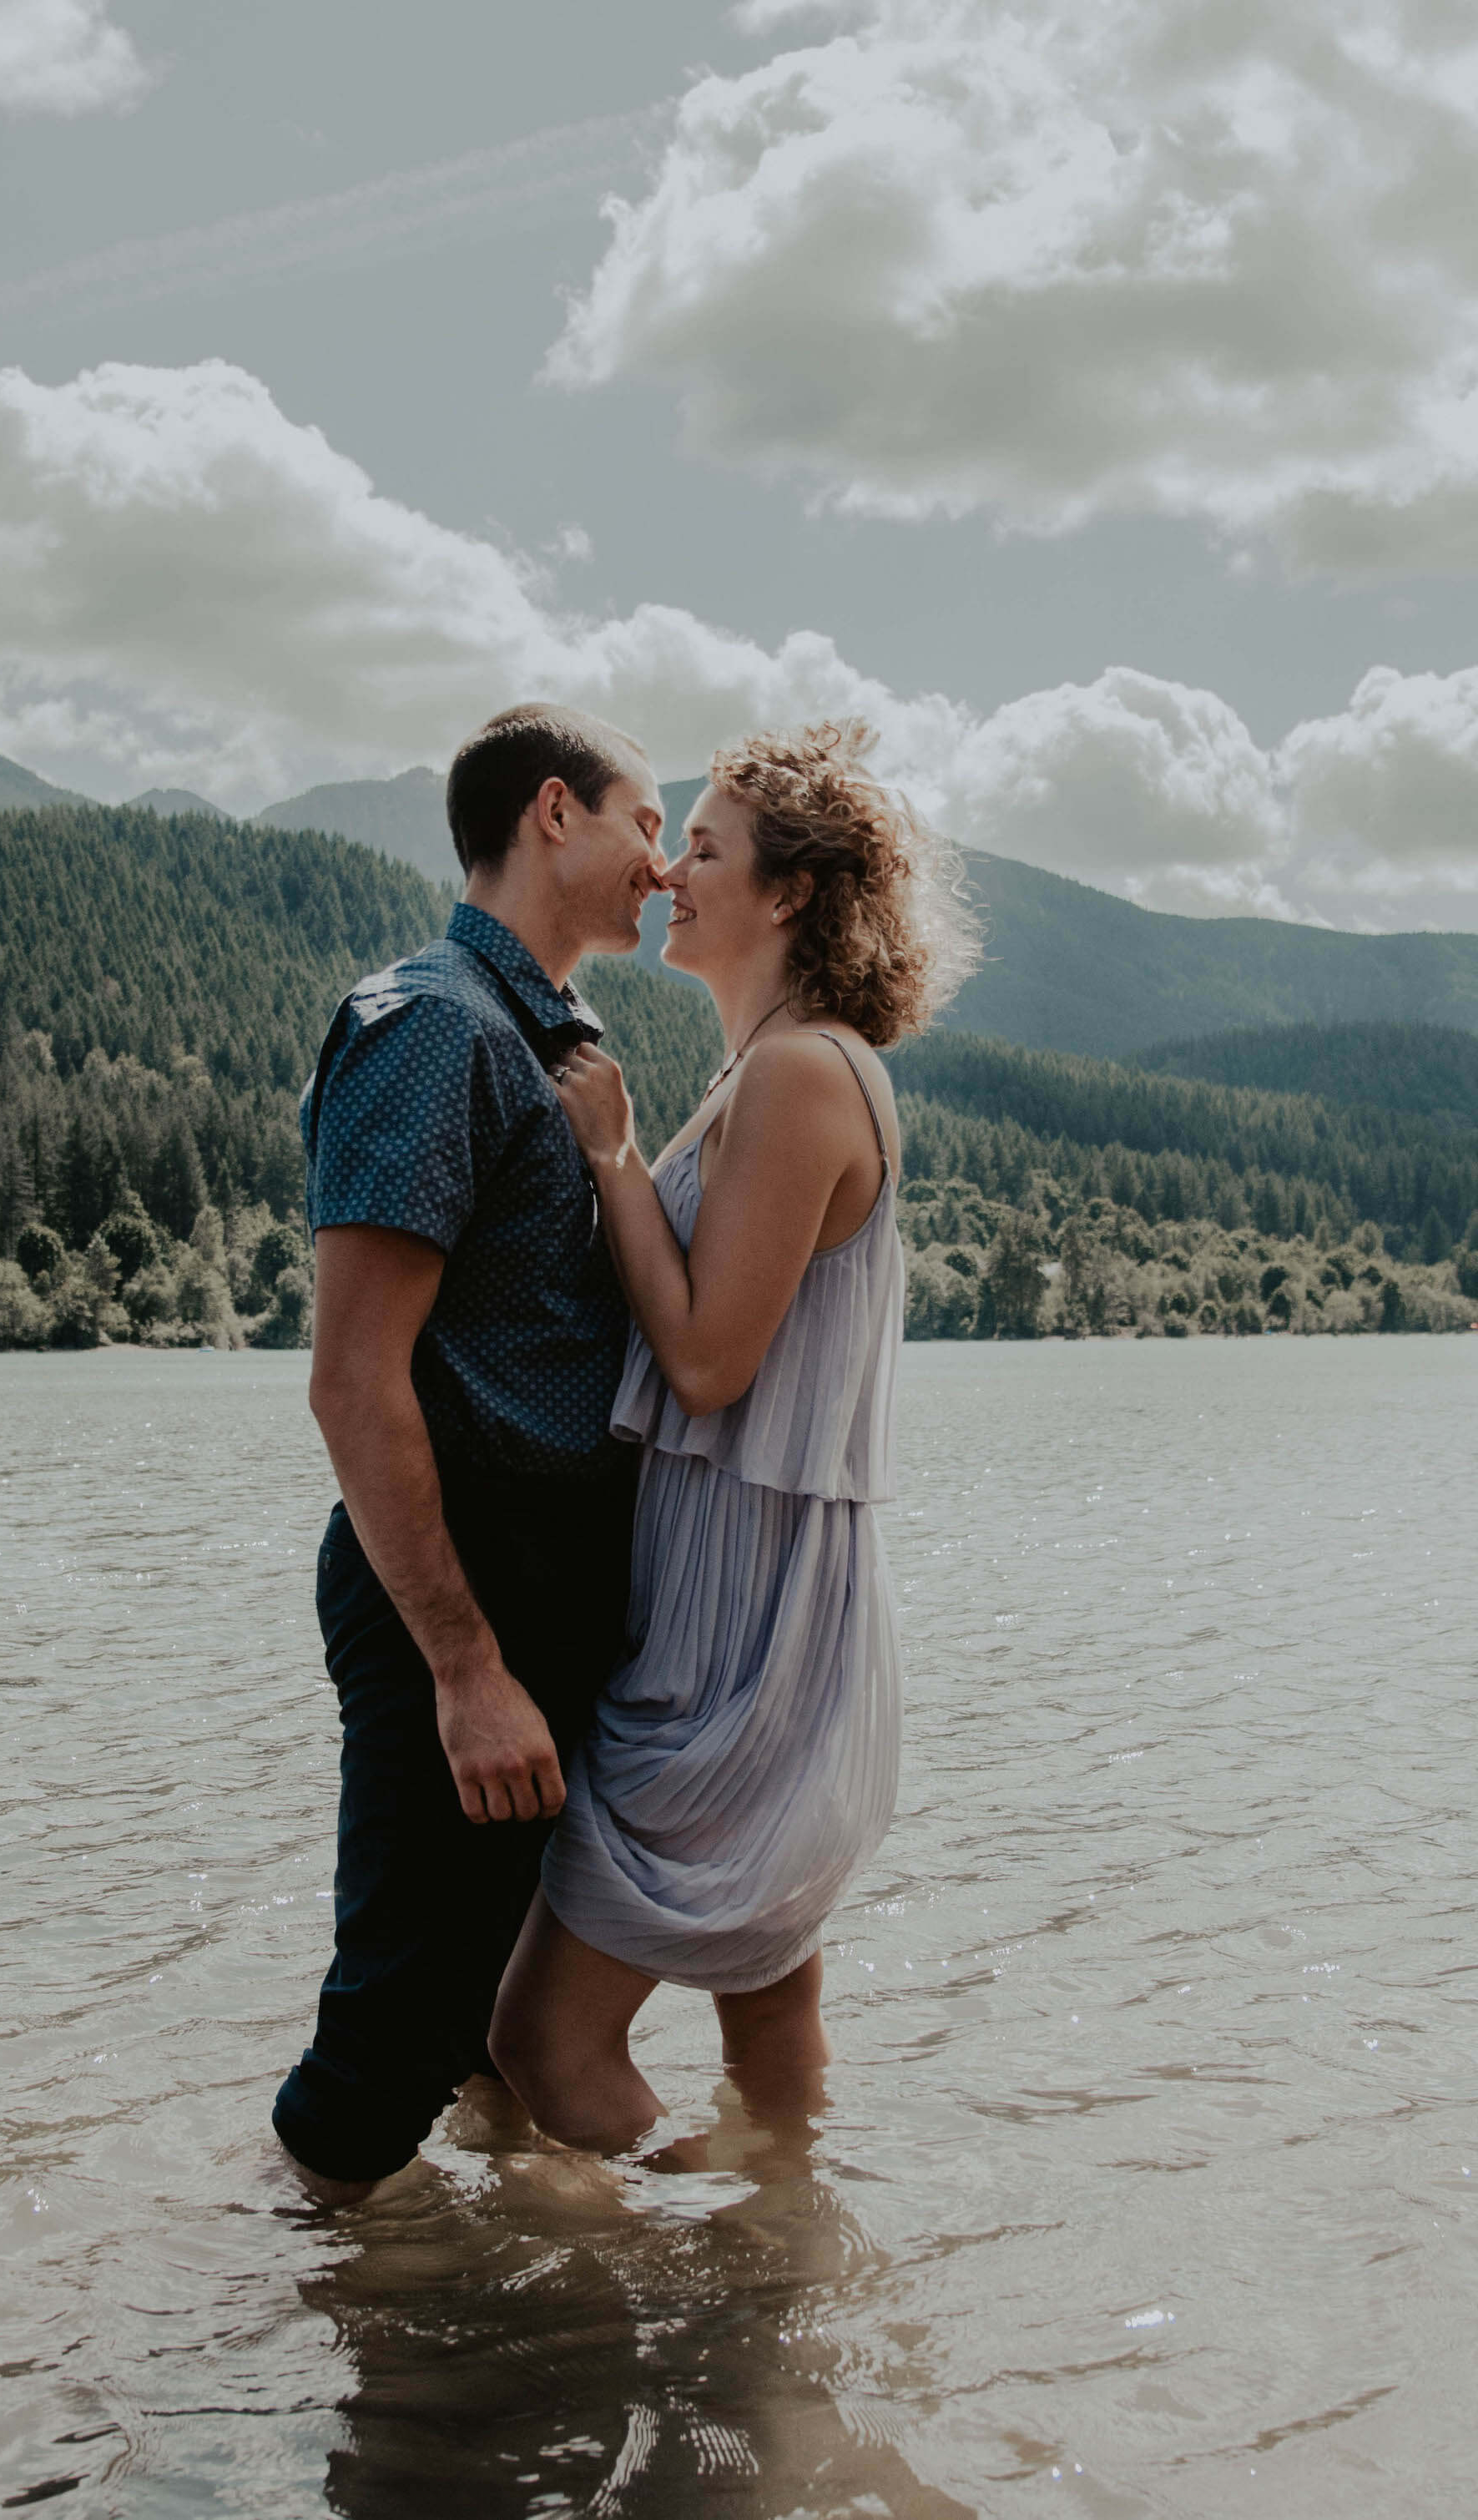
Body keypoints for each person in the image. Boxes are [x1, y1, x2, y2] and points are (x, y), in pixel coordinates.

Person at [489, 719, 972, 2152]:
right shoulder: (769, 1069)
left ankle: (721, 2285)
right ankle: (792, 2252)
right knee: (765, 2009)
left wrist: (612, 1157)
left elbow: (705, 1363)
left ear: (790, 896)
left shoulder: (799, 1075)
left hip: (739, 1635)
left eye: (704, 848)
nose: (669, 871)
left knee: (535, 2036)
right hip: (758, 1602)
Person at [270, 702, 666, 2200]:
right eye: (649, 822)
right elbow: (353, 1383)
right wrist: (463, 1666)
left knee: (500, 2036)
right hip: (464, 1585)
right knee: (395, 2040)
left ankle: (478, 2363)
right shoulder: (433, 1027)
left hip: (546, 1584)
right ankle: (234, 2362)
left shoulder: (558, 1041)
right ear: (553, 813)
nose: (667, 865)